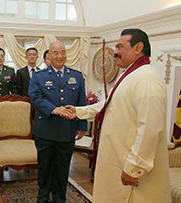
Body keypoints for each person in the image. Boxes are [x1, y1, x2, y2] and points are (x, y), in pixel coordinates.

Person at [65, 29, 171, 203]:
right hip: (116, 160)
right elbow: (108, 105)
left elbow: (150, 130)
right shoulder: (129, 75)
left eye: (120, 47)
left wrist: (134, 168)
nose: (115, 52)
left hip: (133, 174)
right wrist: (78, 111)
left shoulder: (147, 79)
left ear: (138, 48)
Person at [28, 41, 87, 203]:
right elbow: (35, 97)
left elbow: (82, 102)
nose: (60, 56)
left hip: (67, 131)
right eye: (55, 53)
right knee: (45, 168)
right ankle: (43, 198)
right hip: (45, 131)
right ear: (49, 56)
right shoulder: (39, 76)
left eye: (63, 52)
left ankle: (60, 199)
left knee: (62, 169)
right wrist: (54, 109)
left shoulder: (76, 76)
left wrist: (82, 126)